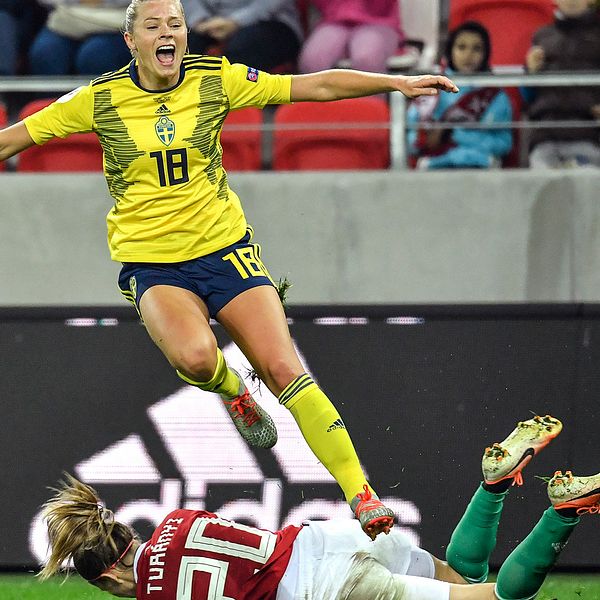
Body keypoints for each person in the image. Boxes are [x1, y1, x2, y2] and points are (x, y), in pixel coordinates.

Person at [0, 0, 459, 539]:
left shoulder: (216, 79)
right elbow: (13, 138)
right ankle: (231, 390)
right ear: (131, 42)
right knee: (196, 359)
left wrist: (393, 85)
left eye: (175, 23)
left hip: (225, 251)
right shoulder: (99, 101)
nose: (167, 33)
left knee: (286, 369)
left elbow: (313, 87)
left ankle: (362, 495)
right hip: (153, 263)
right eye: (153, 26)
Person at [38, 414, 600, 599]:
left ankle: (561, 512)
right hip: (338, 538)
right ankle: (495, 489)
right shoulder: (177, 520)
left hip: (336, 585)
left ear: (109, 571)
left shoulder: (159, 592)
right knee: (468, 575)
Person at [407, 21, 513, 170]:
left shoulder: (496, 96)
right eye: (461, 47)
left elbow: (504, 144)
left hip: (480, 168)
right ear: (450, 50)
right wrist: (424, 141)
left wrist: (455, 135)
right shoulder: (430, 91)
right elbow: (409, 139)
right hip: (434, 169)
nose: (468, 55)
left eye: (476, 49)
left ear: (486, 53)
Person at [523, 0, 600, 168]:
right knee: (542, 191)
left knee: (585, 193)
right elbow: (527, 94)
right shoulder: (541, 36)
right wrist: (530, 71)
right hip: (545, 136)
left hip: (588, 136)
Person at [181, 0, 302, 73]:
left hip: (270, 20)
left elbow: (271, 4)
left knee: (243, 47)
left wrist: (235, 22)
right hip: (208, 22)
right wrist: (200, 21)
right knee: (180, 44)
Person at [298, 0, 404, 74]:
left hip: (379, 21)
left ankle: (367, 107)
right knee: (312, 61)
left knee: (367, 60)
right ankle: (320, 107)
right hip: (334, 19)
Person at [29, 0, 132, 76]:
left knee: (95, 55)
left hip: (120, 19)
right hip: (65, 17)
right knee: (46, 52)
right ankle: (51, 103)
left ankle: (102, 104)